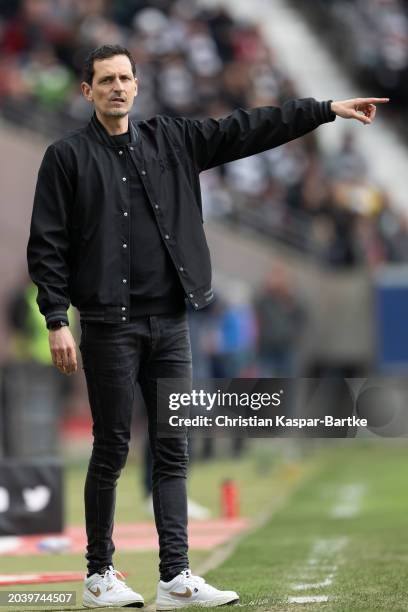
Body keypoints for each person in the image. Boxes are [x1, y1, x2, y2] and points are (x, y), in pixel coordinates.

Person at [26, 43, 388, 609]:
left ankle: (176, 577)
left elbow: (250, 127)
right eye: (106, 80)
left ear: (137, 86)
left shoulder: (173, 139)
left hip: (170, 321)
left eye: (125, 77)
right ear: (87, 91)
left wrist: (324, 108)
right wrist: (55, 319)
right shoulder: (66, 157)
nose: (117, 87)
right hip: (106, 326)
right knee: (112, 447)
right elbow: (46, 245)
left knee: (174, 448)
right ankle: (100, 572)